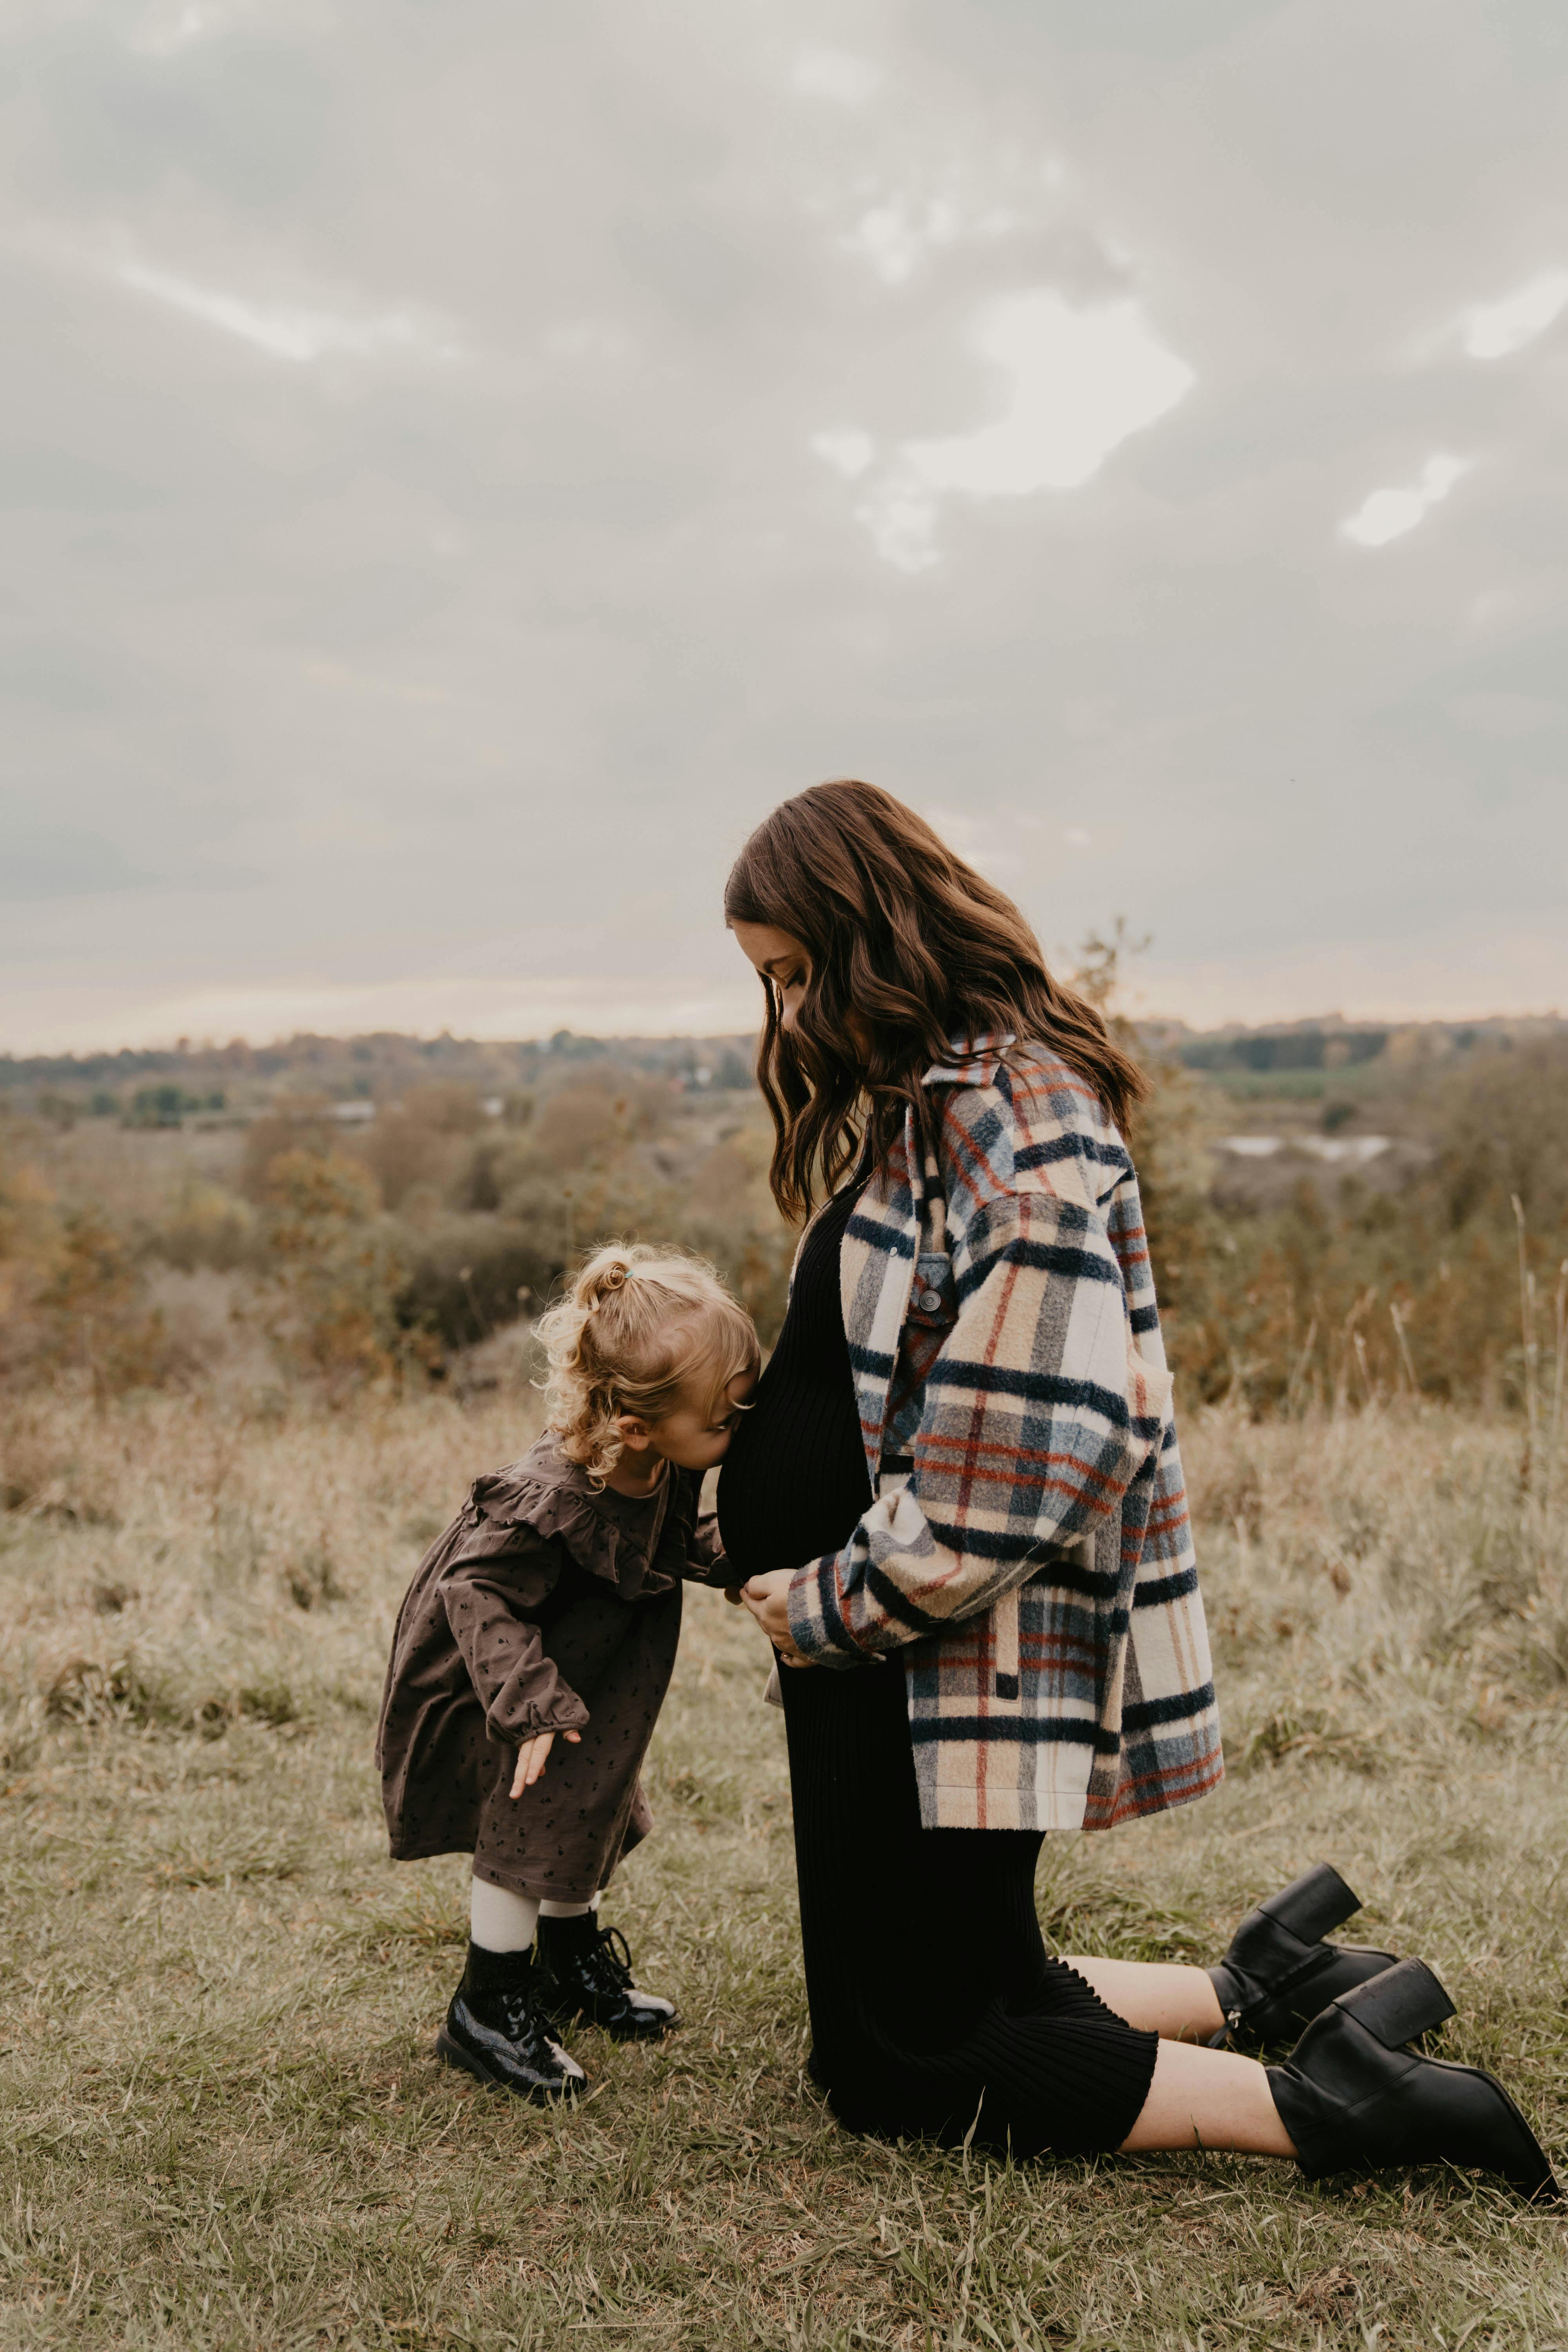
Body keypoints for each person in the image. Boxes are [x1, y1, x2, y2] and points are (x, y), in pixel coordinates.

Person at [717, 779, 1558, 2201]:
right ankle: (1264, 1983)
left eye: (797, 974)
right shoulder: (931, 1097)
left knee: (903, 2063)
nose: (788, 1016)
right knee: (963, 1987)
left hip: (927, 1639)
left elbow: (1026, 1461)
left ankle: (1344, 2105)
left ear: (874, 930)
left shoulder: (1019, 1129)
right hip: (877, 1646)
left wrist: (829, 1603)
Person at [377, 1244, 757, 2101]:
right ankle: (487, 2006)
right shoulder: (550, 1496)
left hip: (579, 1677)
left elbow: (658, 1547)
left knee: (585, 1804)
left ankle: (567, 1964)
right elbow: (469, 1589)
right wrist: (532, 1705)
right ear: (634, 1424)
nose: (738, 1432)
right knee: (523, 1830)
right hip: (495, 1682)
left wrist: (748, 1559)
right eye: (724, 1420)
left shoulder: (657, 1462)